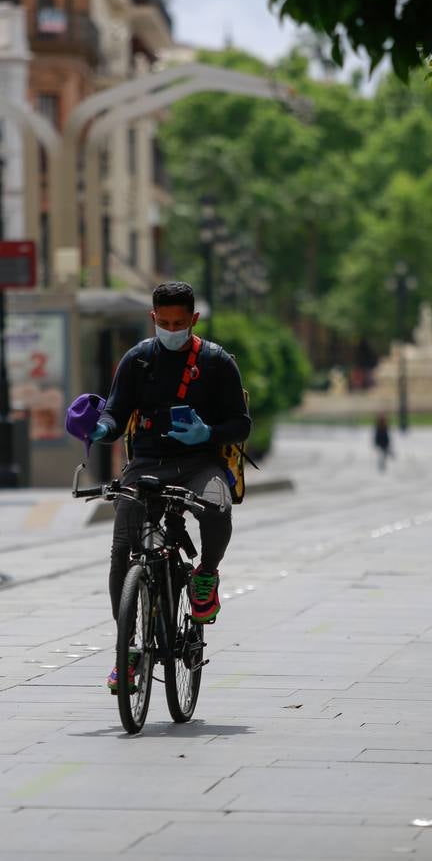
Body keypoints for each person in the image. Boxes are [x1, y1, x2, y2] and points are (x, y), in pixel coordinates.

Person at [89, 282, 251, 693]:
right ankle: (125, 654)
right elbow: (115, 408)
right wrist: (103, 427)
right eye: (164, 322)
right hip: (146, 464)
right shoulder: (137, 359)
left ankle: (206, 575)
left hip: (200, 463)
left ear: (194, 319)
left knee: (217, 500)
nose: (171, 329)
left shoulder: (216, 362)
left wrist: (208, 432)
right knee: (122, 550)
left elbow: (241, 424)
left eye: (180, 322)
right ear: (153, 318)